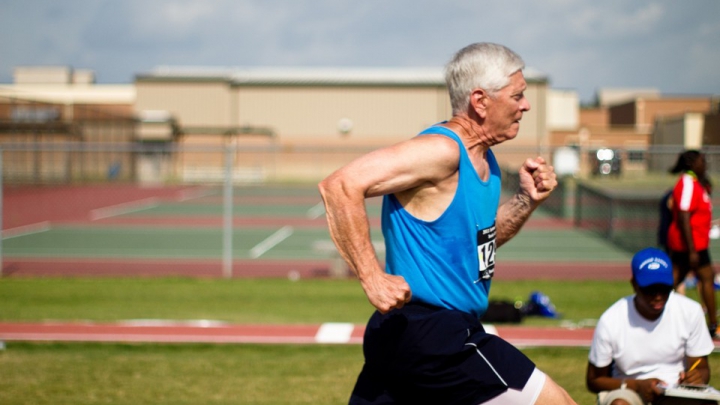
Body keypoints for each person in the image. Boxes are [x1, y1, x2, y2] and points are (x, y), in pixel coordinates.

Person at [319, 42, 576, 405]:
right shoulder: (441, 150)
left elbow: (475, 244)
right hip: (433, 333)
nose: (526, 105)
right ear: (480, 100)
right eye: (517, 95)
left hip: (410, 335)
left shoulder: (485, 161)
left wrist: (524, 201)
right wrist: (371, 276)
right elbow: (339, 185)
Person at [586, 247, 715, 405]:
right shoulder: (611, 319)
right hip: (628, 389)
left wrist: (696, 377)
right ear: (634, 285)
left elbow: (702, 368)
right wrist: (637, 385)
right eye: (650, 289)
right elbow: (594, 380)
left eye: (665, 288)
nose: (658, 296)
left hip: (676, 390)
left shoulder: (691, 311)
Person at [666, 150, 717, 337]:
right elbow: (684, 215)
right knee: (672, 282)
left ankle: (713, 325)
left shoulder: (696, 182)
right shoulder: (687, 183)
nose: (705, 164)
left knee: (703, 279)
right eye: (702, 161)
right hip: (688, 244)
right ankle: (713, 325)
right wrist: (692, 250)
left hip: (697, 243)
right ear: (692, 163)